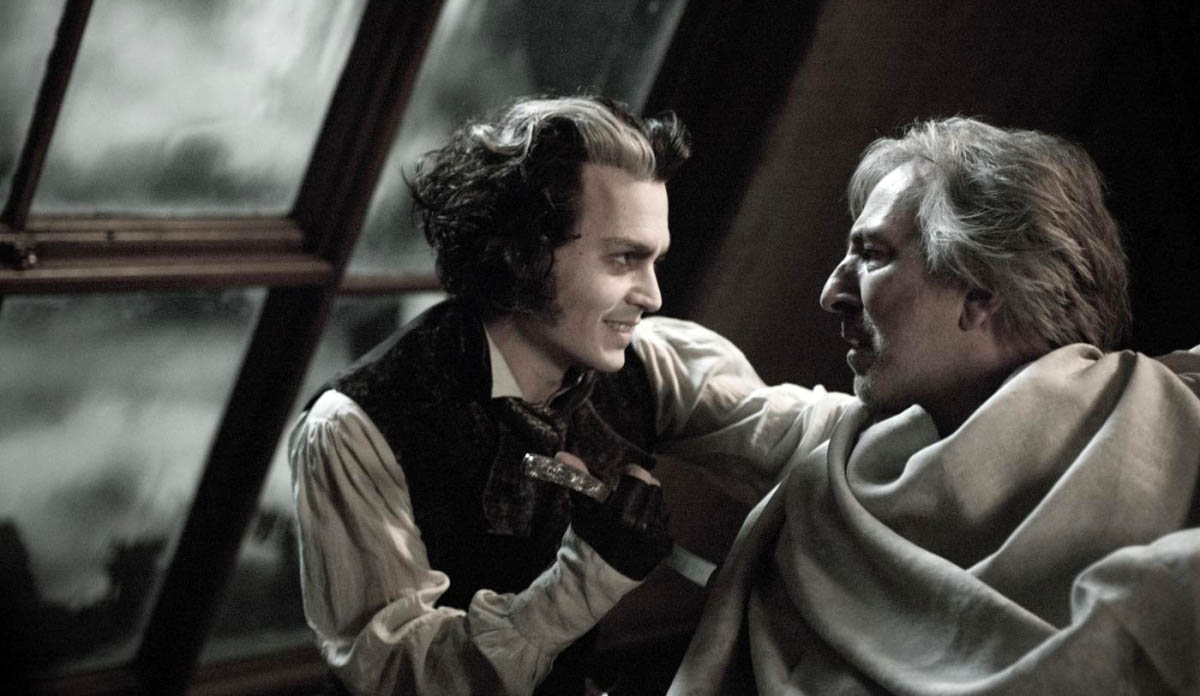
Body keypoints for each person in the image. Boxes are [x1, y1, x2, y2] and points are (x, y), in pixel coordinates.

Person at [288, 95, 849, 695]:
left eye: (655, 260)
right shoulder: (358, 427)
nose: (652, 295)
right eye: (625, 259)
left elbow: (825, 440)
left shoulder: (649, 363)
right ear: (523, 253)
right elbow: (397, 675)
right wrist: (583, 582)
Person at [653, 117, 1200, 694]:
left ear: (980, 293)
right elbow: (737, 406)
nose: (832, 292)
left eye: (871, 255)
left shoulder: (1178, 418)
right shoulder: (841, 471)